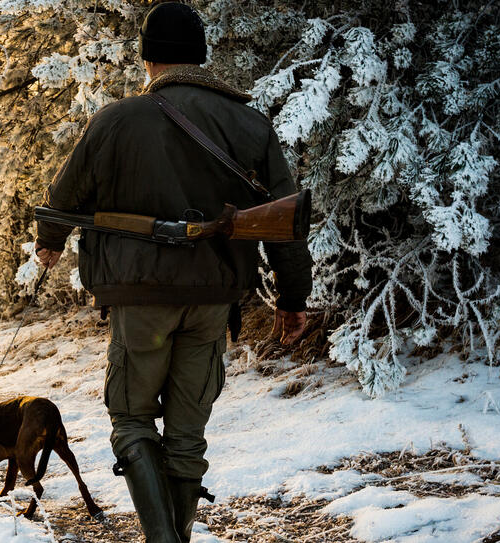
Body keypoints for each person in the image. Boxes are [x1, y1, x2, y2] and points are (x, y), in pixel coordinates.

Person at [33, 3, 313, 542]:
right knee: (187, 434)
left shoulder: (113, 120)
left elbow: (62, 197)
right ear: (201, 57)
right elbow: (287, 219)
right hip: (213, 299)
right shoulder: (249, 122)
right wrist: (292, 299)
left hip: (138, 298)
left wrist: (48, 244)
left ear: (147, 58)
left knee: (132, 420)